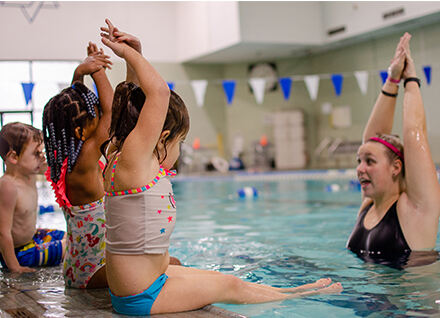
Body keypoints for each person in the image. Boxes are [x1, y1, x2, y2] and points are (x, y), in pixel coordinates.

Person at [100, 19, 342, 316]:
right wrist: (131, 55)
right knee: (232, 288)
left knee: (229, 280)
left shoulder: (118, 155)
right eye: (181, 141)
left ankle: (291, 291)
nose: (181, 149)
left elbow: (133, 110)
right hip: (142, 296)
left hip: (147, 283)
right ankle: (298, 300)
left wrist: (136, 54)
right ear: (162, 138)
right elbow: (159, 94)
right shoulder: (134, 161)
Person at [347, 32, 440, 268]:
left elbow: (413, 133)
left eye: (369, 162)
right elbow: (372, 141)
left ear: (396, 167)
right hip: (373, 303)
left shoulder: (415, 210)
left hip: (415, 305)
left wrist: (410, 79)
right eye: (360, 160)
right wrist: (392, 79)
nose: (360, 169)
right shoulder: (369, 206)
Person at [43, 42, 113, 288]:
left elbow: (75, 101)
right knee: (173, 264)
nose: (98, 115)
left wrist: (80, 72)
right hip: (96, 270)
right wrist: (98, 71)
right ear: (80, 130)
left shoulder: (64, 161)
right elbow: (111, 112)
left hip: (76, 267)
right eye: (93, 114)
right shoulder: (85, 158)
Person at [0, 122, 65, 273]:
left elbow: (54, 169)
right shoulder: (8, 187)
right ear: (14, 157)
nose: (42, 158)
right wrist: (15, 267)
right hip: (21, 254)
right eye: (37, 153)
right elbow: (3, 233)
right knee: (72, 245)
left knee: (72, 236)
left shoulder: (29, 174)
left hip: (32, 238)